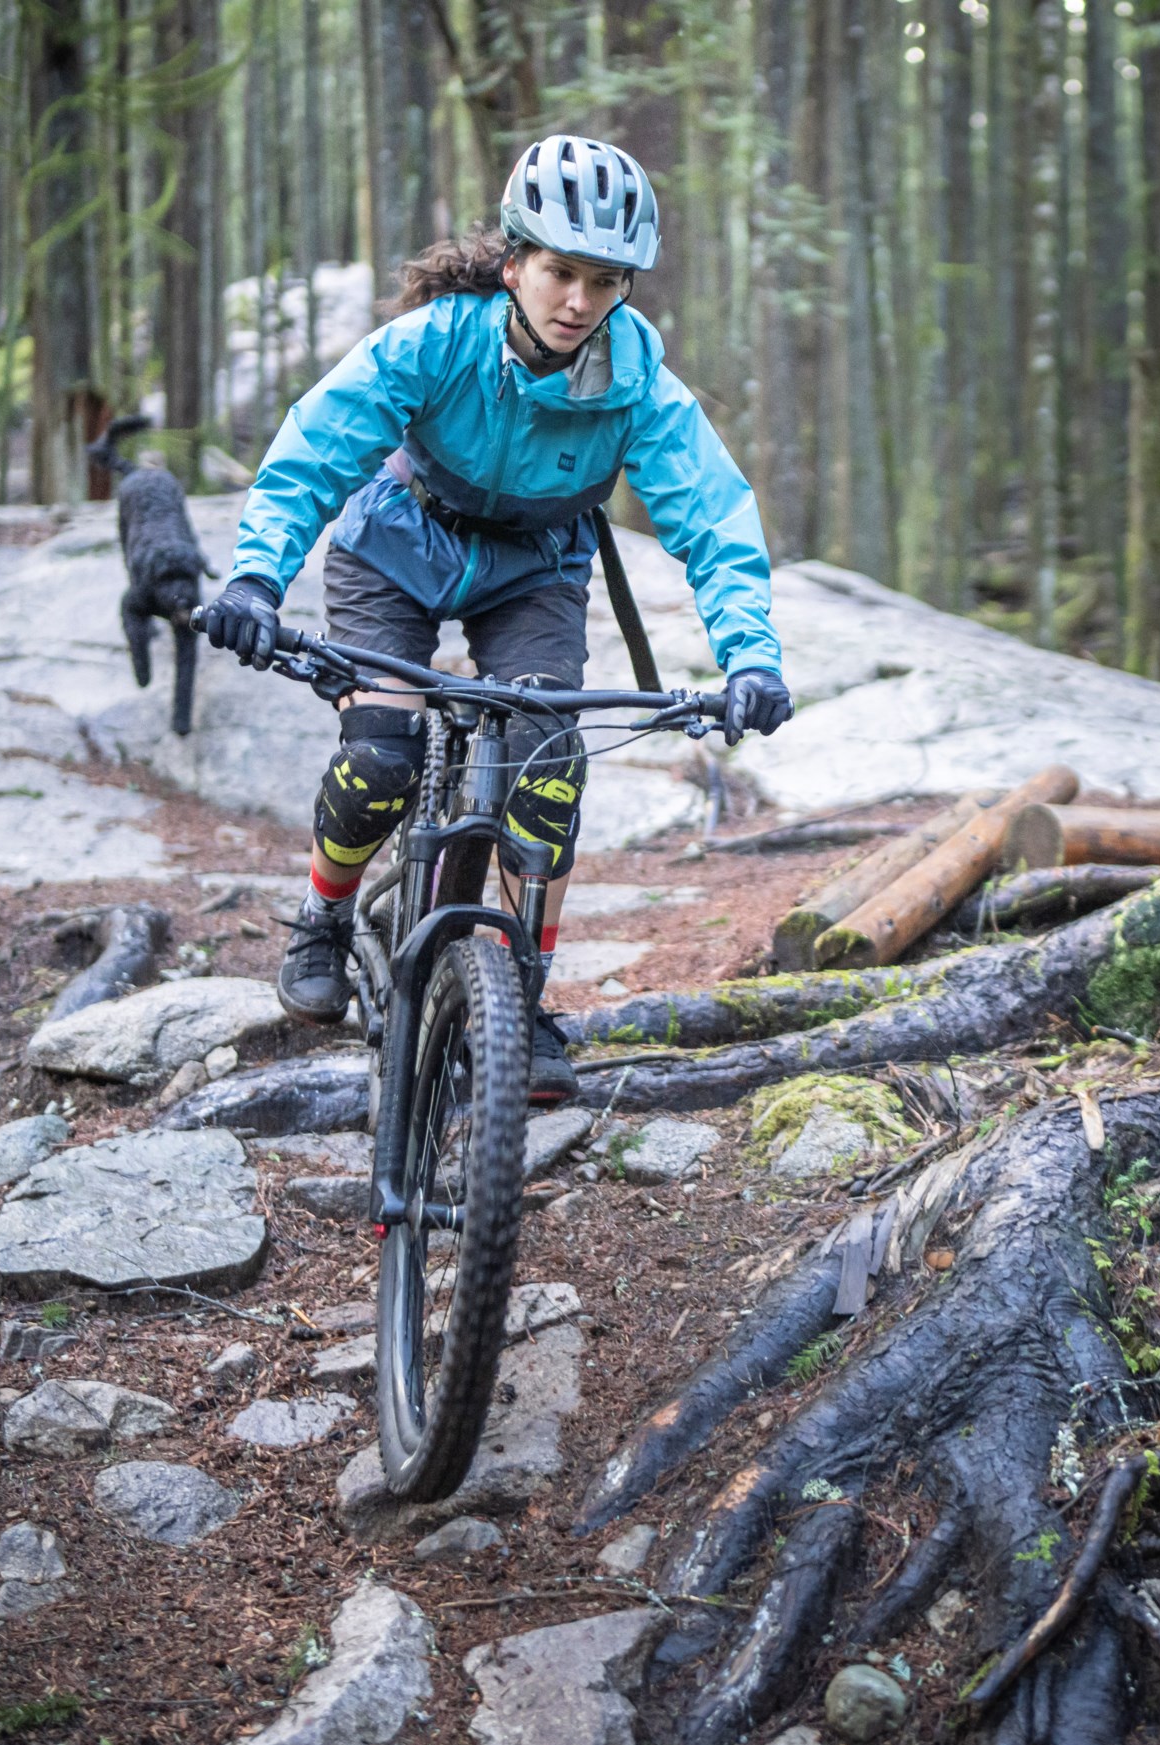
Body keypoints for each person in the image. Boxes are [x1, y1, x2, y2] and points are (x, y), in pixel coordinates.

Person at [199, 134, 790, 1106]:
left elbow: (716, 521)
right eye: (560, 273)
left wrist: (750, 659)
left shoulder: (635, 382)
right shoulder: (436, 342)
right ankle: (324, 912)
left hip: (533, 574)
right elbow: (317, 448)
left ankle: (522, 992)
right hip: (396, 548)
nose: (578, 303)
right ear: (514, 262)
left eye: (605, 282)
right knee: (382, 750)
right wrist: (256, 579)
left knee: (546, 768)